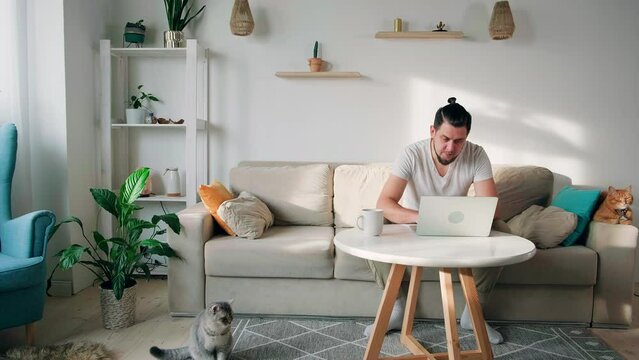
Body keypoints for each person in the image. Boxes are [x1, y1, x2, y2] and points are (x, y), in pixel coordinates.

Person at [366, 97, 507, 344]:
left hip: (457, 226)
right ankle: (396, 308)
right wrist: (421, 217)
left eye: (459, 141)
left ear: (467, 137)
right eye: (445, 138)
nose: (451, 147)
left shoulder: (477, 154)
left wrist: (461, 216)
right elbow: (385, 202)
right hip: (412, 221)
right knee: (374, 227)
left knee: (501, 231)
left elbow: (490, 207)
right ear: (433, 131)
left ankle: (473, 314)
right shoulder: (412, 153)